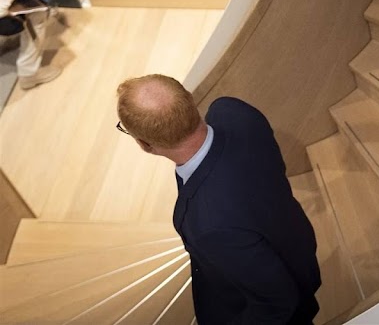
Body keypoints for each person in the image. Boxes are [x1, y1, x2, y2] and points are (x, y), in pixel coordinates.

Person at [116, 74, 321, 324]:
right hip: (294, 242)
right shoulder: (233, 111)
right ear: (189, 99)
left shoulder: (207, 224)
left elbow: (277, 303)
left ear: (144, 144)